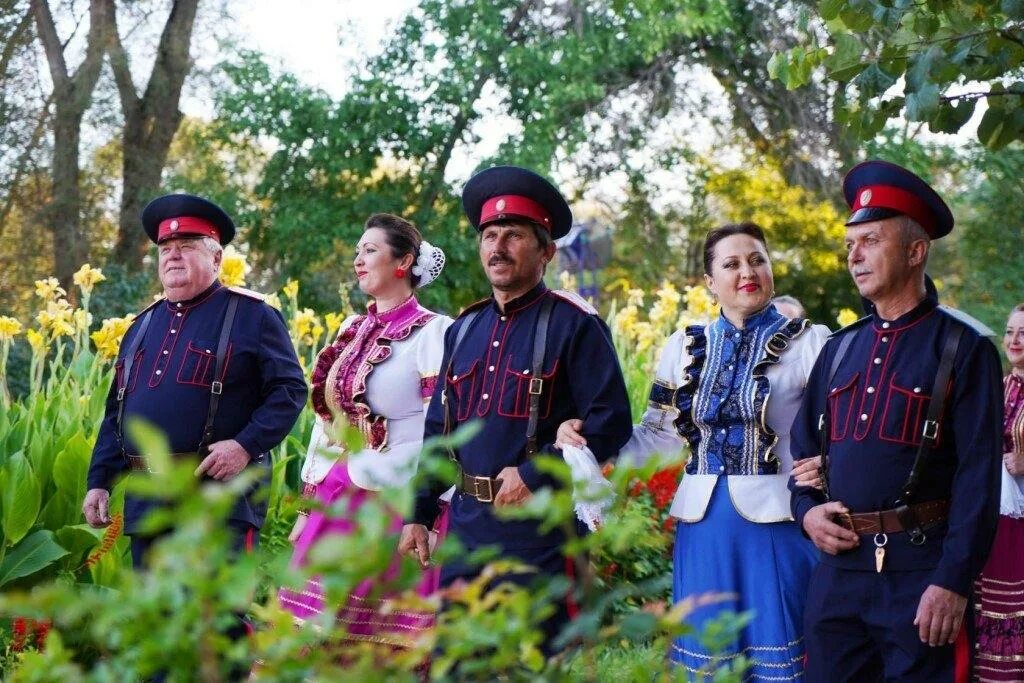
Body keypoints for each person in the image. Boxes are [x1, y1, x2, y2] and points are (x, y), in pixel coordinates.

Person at [557, 222, 829, 679]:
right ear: (710, 281)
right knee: (710, 658)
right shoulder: (683, 348)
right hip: (703, 526)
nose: (748, 271)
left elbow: (834, 433)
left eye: (757, 260)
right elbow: (658, 435)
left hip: (780, 521)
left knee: (780, 657)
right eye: (732, 263)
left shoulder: (809, 343)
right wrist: (591, 439)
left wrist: (828, 466)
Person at [397, 165, 633, 651]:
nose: (498, 247)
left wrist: (536, 473)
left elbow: (611, 421)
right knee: (458, 661)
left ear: (546, 250)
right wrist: (418, 512)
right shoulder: (464, 328)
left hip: (538, 534)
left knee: (531, 662)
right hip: (464, 528)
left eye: (514, 235)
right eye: (489, 235)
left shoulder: (576, 324)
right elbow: (440, 432)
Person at [789, 160, 1003, 682]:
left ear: (915, 251)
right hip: (839, 574)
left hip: (921, 575)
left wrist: (952, 581)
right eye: (850, 245)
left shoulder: (963, 350)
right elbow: (803, 458)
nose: (854, 257)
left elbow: (978, 478)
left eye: (870, 241)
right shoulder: (839, 349)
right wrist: (807, 514)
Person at [83, 193, 308, 568]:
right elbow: (116, 413)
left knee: (218, 620)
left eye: (186, 246)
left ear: (216, 257)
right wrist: (99, 480)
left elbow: (290, 390)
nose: (172, 255)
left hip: (220, 496)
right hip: (149, 500)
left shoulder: (253, 316)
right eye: (165, 248)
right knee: (157, 619)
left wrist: (244, 446)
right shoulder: (140, 326)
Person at [277, 213, 452, 648]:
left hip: (400, 499)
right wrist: (306, 505)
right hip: (340, 492)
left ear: (403, 261)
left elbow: (446, 425)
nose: (358, 260)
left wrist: (431, 511)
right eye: (358, 251)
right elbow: (326, 420)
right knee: (310, 628)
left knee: (376, 639)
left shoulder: (434, 331)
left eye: (369, 250)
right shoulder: (351, 329)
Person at [972, 303, 1024, 680]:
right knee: (986, 603)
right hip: (995, 517)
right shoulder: (1001, 386)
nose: (1014, 340)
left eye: (1023, 333)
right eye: (1009, 332)